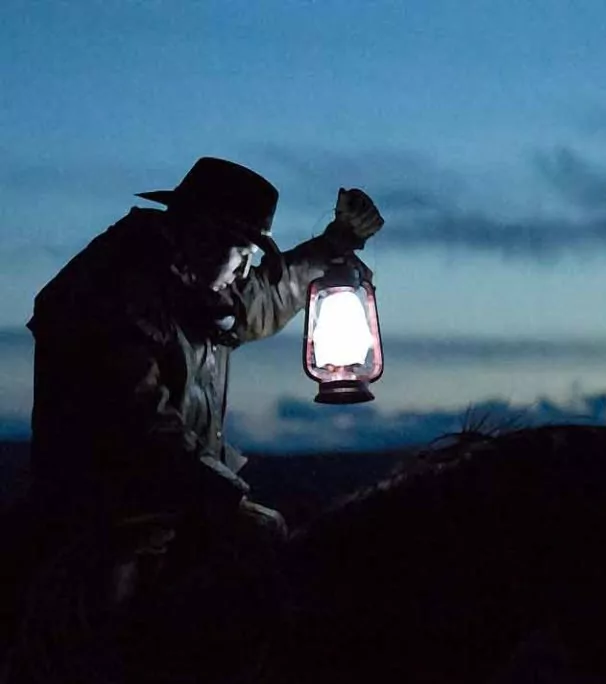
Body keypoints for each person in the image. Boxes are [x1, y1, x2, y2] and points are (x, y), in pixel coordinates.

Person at [24, 156, 384, 567]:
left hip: (175, 516)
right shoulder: (110, 290)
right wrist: (228, 502)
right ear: (201, 235)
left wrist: (336, 243)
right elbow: (137, 424)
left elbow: (265, 294)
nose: (245, 270)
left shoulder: (193, 284)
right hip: (104, 534)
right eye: (242, 253)